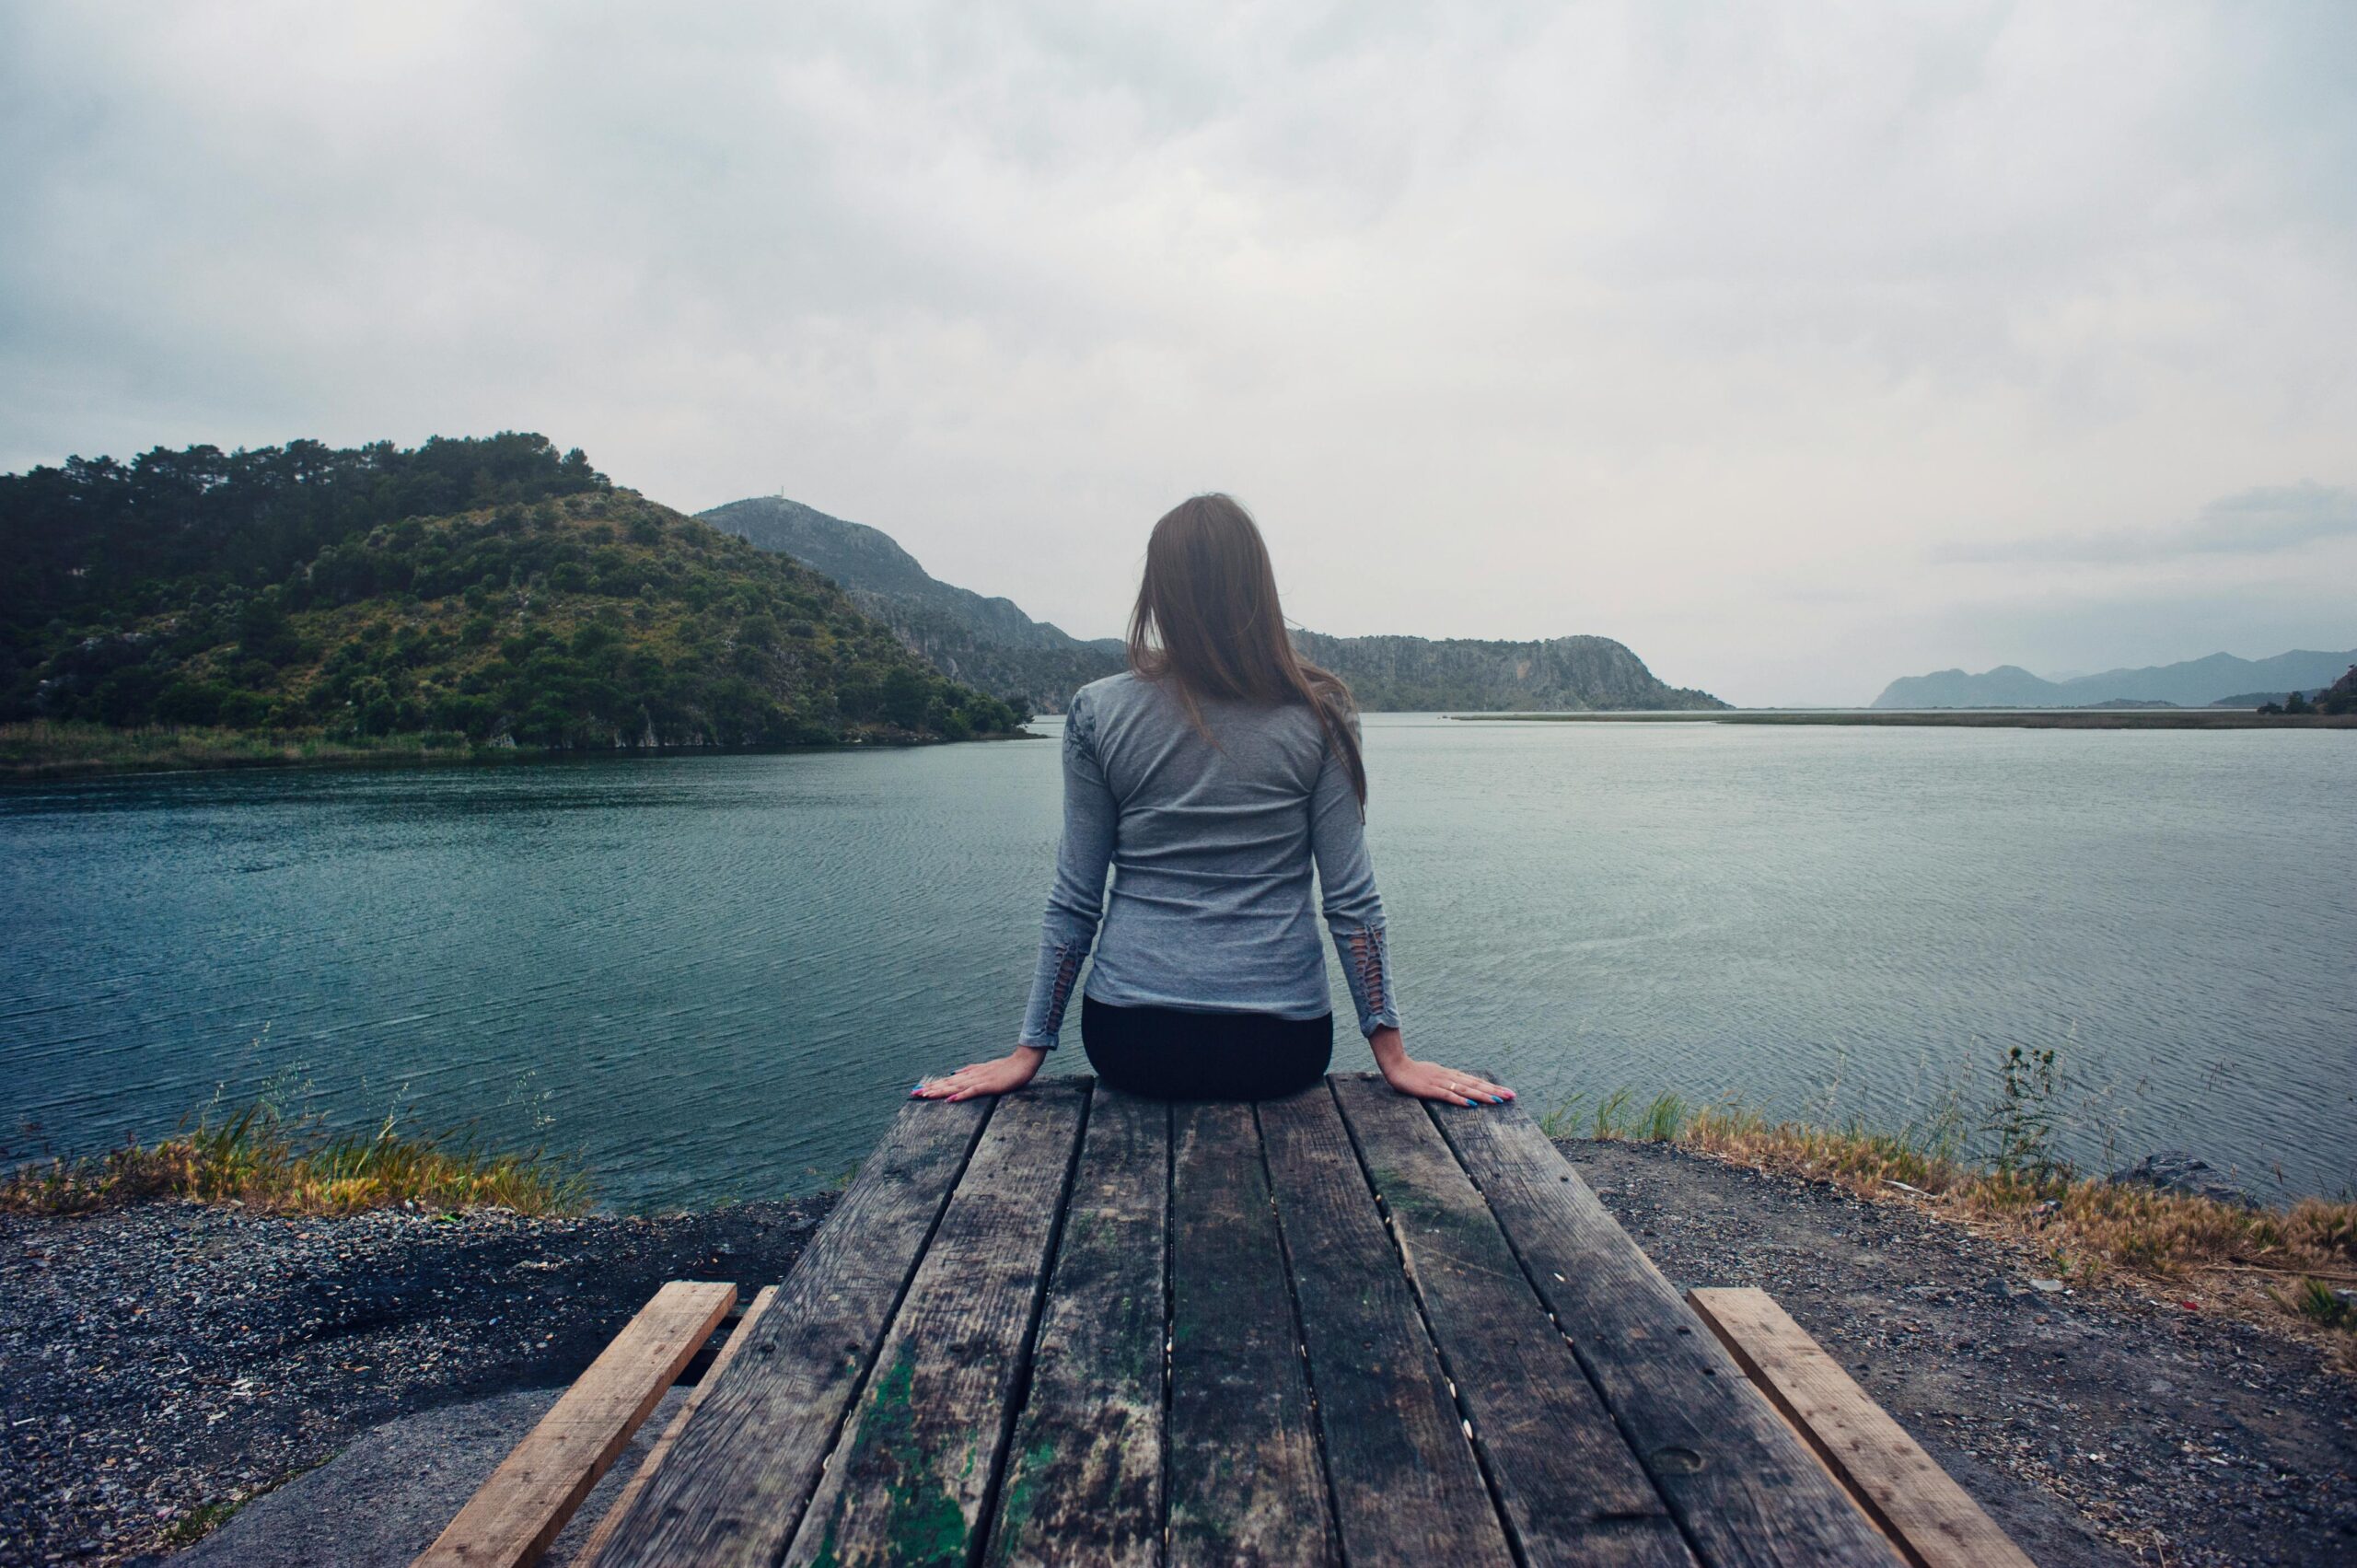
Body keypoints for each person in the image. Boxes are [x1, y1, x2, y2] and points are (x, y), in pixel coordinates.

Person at [912, 494, 1514, 1108]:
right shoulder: (1321, 715)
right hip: (1282, 1047)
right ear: (1257, 587)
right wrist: (1393, 1054)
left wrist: (1029, 1048)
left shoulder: (1099, 711)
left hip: (1128, 1040)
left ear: (1159, 593)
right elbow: (1352, 900)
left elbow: (1075, 897)